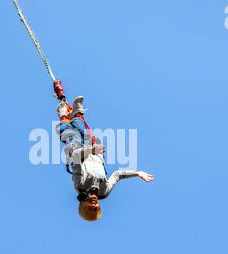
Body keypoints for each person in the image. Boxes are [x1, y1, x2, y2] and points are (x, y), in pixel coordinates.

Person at [54, 81, 154, 222]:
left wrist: (91, 150)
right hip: (95, 152)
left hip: (78, 149)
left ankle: (63, 114)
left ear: (83, 204)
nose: (94, 205)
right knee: (84, 130)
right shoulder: (104, 191)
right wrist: (137, 173)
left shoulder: (80, 185)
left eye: (90, 208)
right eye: (96, 208)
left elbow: (76, 157)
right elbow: (118, 175)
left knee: (69, 132)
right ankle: (76, 113)